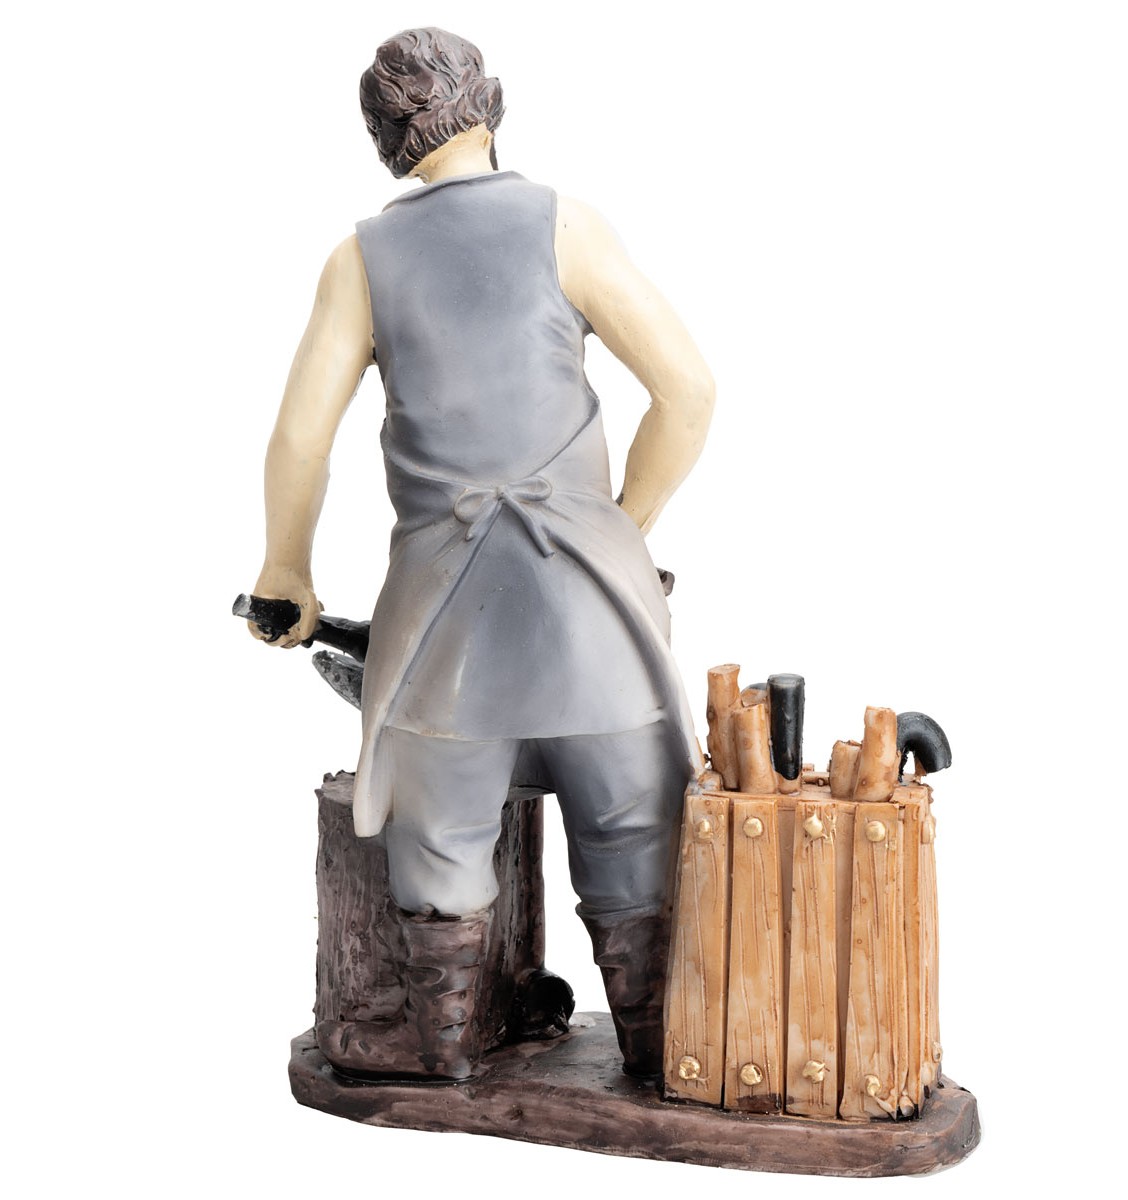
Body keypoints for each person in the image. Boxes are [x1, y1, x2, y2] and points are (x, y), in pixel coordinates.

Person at [250, 27, 714, 1082]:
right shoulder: (567, 224)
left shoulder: (360, 260)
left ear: (382, 138)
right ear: (492, 102)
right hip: (593, 608)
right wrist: (621, 531)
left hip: (441, 621)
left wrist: (286, 574)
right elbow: (689, 391)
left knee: (442, 835)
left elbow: (300, 441)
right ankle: (653, 1054)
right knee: (632, 828)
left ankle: (449, 1056)